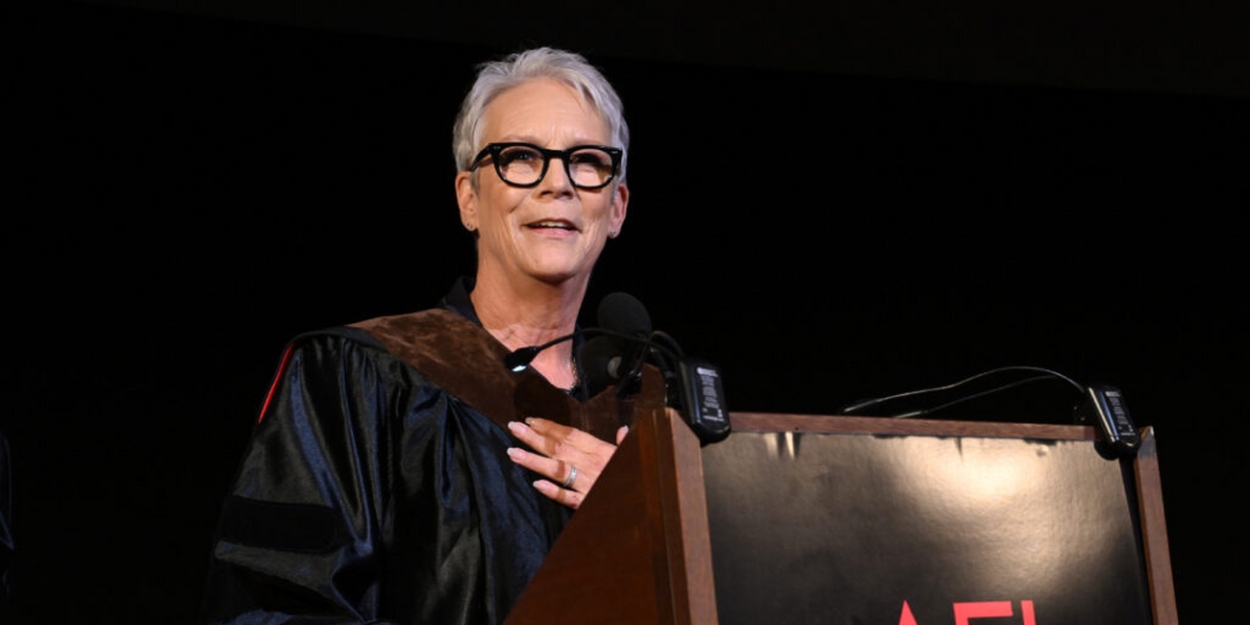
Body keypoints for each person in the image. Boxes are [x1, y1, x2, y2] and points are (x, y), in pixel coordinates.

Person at [201, 47, 667, 624]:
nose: (558, 184)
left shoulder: (656, 417)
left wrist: (656, 524)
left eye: (588, 161)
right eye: (521, 157)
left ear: (616, 206)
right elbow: (271, 611)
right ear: (469, 198)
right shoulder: (360, 377)